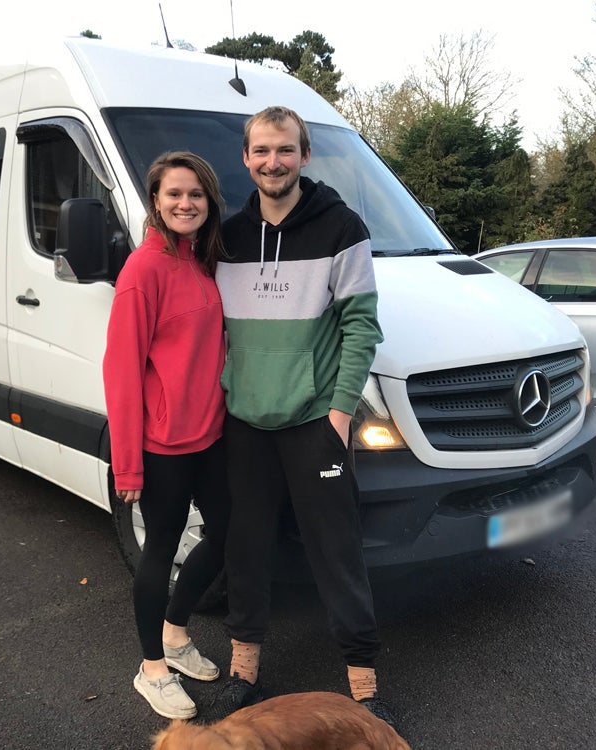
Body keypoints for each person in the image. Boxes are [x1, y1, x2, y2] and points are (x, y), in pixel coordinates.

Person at [210, 106, 395, 726]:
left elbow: (360, 327)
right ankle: (243, 670)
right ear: (246, 158)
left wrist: (340, 412)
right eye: (261, 151)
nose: (272, 162)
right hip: (245, 425)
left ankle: (363, 680)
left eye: (284, 150)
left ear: (304, 155)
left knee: (336, 550)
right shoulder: (228, 238)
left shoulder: (341, 228)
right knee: (247, 547)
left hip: (316, 421)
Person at [102, 151, 230, 720]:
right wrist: (127, 464)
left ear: (209, 203)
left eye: (196, 195)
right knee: (160, 549)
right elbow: (122, 371)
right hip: (162, 445)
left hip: (211, 437)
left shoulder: (203, 262)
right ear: (155, 200)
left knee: (226, 534)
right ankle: (151, 667)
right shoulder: (144, 270)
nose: (186, 203)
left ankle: (176, 633)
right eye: (175, 194)